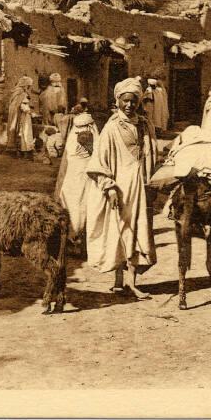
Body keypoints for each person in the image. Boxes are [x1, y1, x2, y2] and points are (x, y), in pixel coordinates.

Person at [85, 78, 158, 299]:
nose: (129, 105)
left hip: (141, 188)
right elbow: (99, 161)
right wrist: (109, 187)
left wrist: (151, 180)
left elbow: (153, 154)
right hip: (120, 187)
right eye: (125, 101)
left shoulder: (145, 125)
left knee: (136, 231)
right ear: (118, 101)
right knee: (118, 231)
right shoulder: (111, 128)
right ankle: (118, 281)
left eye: (133, 101)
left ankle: (131, 282)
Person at [54, 112, 100, 251]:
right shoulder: (78, 138)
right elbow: (65, 164)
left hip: (87, 178)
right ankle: (72, 240)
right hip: (73, 178)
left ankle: (79, 241)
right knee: (73, 207)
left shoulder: (89, 138)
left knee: (84, 208)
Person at [6, 76, 36, 159]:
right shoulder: (22, 94)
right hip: (22, 116)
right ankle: (24, 152)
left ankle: (15, 151)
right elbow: (23, 106)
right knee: (24, 132)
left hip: (14, 115)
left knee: (16, 131)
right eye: (29, 86)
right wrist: (31, 113)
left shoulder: (15, 93)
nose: (29, 88)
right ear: (25, 85)